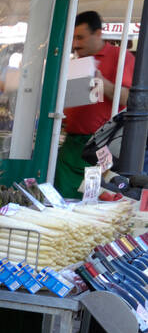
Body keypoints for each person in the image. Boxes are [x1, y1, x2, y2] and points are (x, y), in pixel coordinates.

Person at [56, 10, 136, 196]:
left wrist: (101, 82)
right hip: (71, 145)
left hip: (101, 145)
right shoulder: (76, 61)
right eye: (73, 38)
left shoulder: (120, 57)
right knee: (63, 198)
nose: (75, 44)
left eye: (80, 37)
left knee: (95, 199)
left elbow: (127, 99)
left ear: (98, 34)